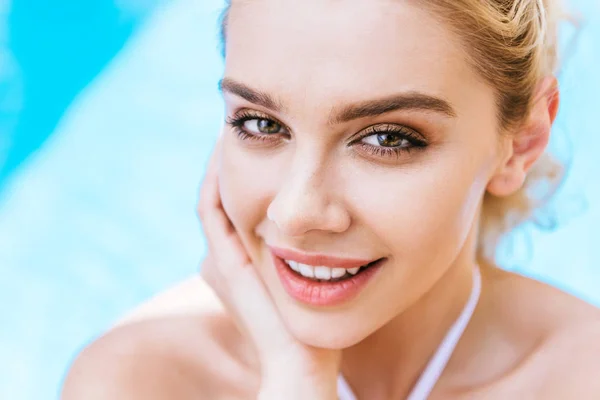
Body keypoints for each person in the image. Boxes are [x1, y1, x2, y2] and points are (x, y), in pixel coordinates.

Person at [62, 0, 600, 398]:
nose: (295, 214)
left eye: (387, 138)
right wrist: (295, 380)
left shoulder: (581, 375)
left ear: (521, 144)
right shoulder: (135, 381)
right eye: (260, 123)